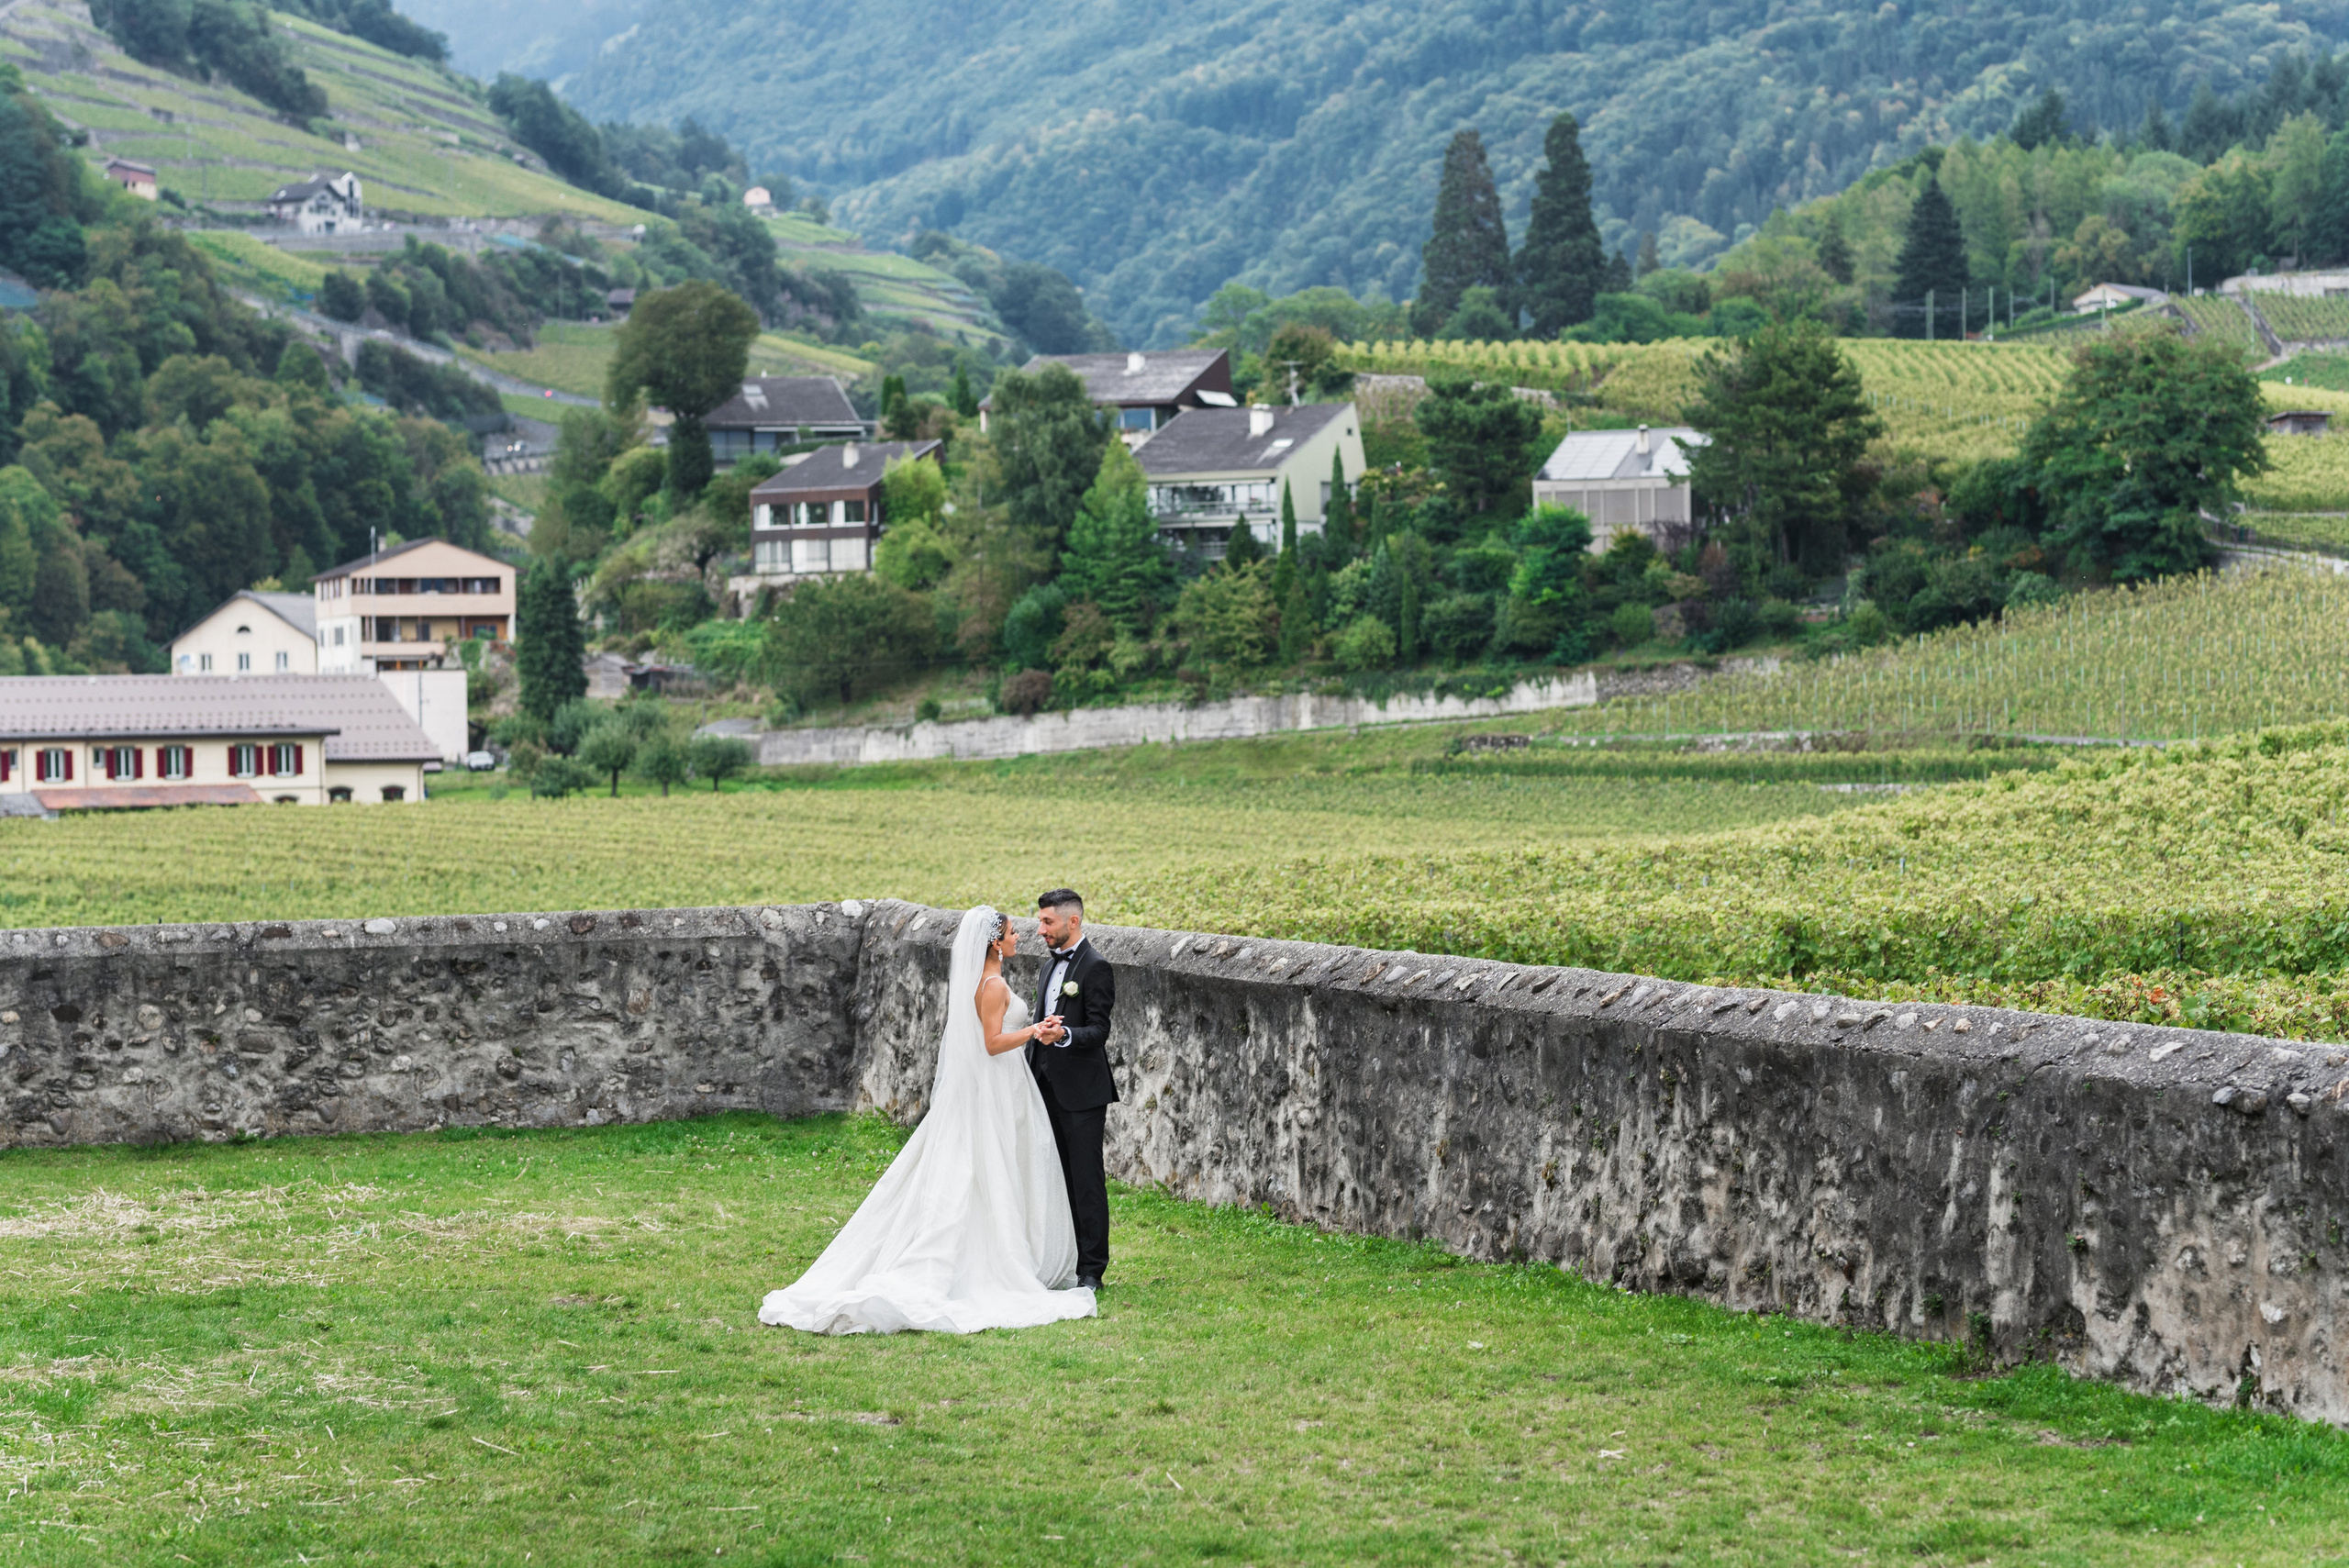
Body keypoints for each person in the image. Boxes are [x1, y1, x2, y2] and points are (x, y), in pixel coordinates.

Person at [757, 906, 1097, 1334]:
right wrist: (1033, 1031)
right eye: (1013, 933)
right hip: (996, 1083)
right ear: (995, 942)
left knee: (996, 1170)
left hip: (1001, 1086)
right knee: (985, 1170)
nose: (1019, 938)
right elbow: (993, 1044)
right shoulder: (991, 985)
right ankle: (987, 1260)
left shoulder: (989, 981)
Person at [1029, 888, 1117, 1290]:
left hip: (1082, 1092)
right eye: (1041, 920)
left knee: (1085, 1179)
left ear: (1072, 922)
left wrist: (1064, 1035)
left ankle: (1092, 1269)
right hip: (1044, 1084)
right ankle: (1058, 1258)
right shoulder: (1048, 968)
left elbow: (1099, 1030)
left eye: (1048, 921)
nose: (1041, 928)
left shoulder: (1096, 966)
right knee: (1052, 1176)